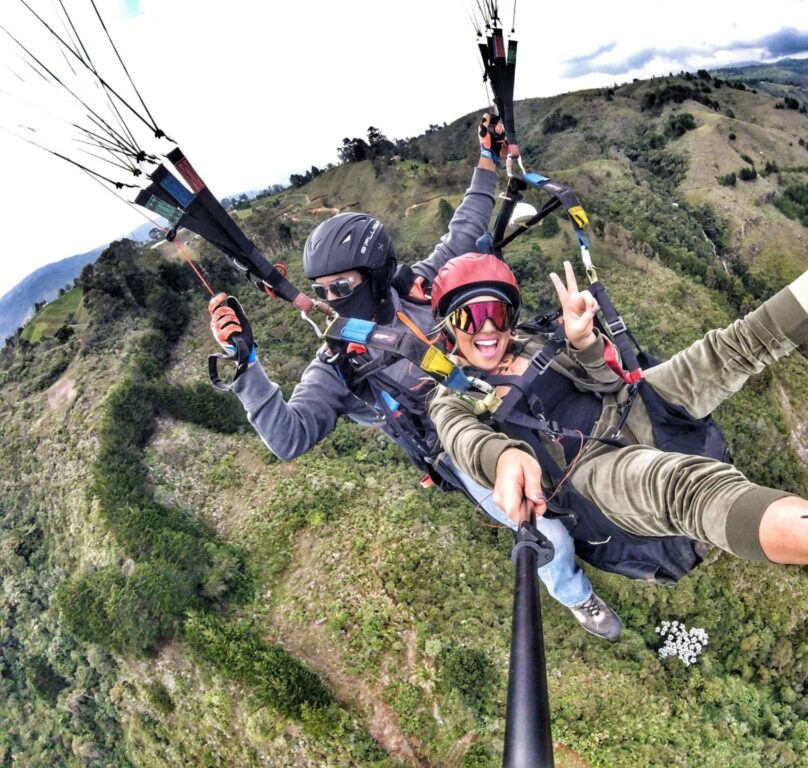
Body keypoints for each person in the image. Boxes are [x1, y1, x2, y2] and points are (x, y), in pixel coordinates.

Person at [427, 141, 808, 618]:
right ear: (447, 328)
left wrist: (583, 344)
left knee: (733, 346)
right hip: (591, 474)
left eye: (496, 313)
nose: (486, 330)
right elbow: (466, 442)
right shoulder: (450, 398)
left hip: (629, 406)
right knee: (688, 489)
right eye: (467, 318)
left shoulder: (529, 339)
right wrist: (503, 460)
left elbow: (604, 385)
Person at [207, 115, 622, 639]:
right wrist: (246, 368)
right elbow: (288, 437)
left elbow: (469, 225)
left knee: (599, 416)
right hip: (459, 442)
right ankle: (577, 595)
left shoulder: (421, 287)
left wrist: (488, 160)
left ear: (377, 274)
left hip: (502, 387)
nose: (332, 298)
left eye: (342, 285)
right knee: (548, 533)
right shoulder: (341, 364)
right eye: (324, 288)